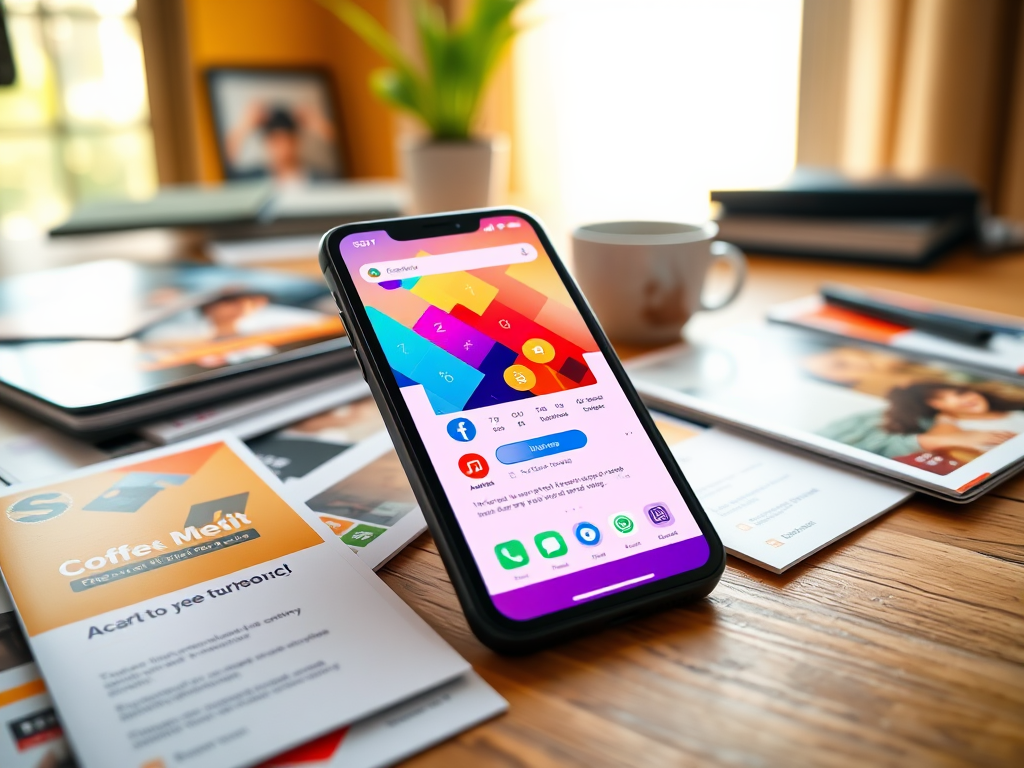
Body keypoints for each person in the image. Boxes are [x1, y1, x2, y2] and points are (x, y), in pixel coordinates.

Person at [883, 383, 1024, 452]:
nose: (961, 400)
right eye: (941, 400)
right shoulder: (947, 427)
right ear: (935, 406)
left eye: (961, 393)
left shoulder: (1011, 408)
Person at [224, 102, 335, 182]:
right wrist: (245, 124)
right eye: (276, 140)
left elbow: (348, 165)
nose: (282, 146)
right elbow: (225, 171)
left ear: (296, 140)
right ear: (266, 143)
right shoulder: (254, 179)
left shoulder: (320, 178)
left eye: (287, 139)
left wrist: (317, 123)